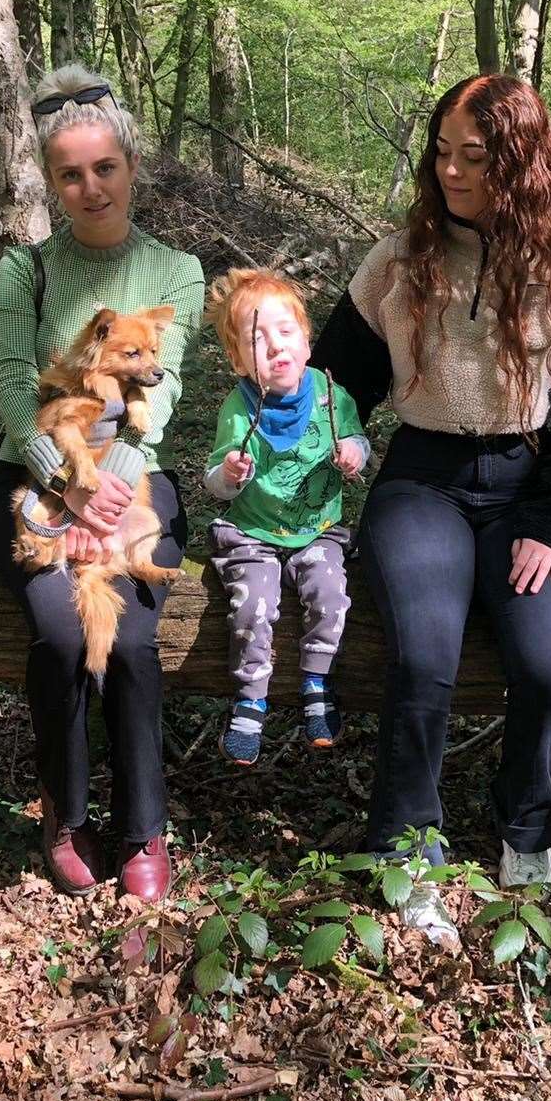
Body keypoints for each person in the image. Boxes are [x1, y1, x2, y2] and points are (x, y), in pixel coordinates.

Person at [314, 74, 551, 945]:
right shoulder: (397, 260)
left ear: (519, 164)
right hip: (423, 482)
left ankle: (527, 819)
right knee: (422, 657)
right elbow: (336, 385)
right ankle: (408, 845)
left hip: (529, 485)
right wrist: (285, 451)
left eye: (475, 158)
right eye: (442, 152)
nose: (451, 171)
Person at [0, 64, 204, 900]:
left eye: (104, 168)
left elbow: (165, 385)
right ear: (51, 181)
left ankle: (144, 827)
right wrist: (65, 485)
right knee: (62, 633)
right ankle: (66, 812)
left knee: (137, 639)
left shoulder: (176, 268)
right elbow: (12, 385)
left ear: (131, 168)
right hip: (38, 468)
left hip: (134, 468)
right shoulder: (25, 270)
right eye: (71, 174)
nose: (90, 187)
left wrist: (107, 490)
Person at [202, 269, 370, 764]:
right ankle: (252, 695)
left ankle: (316, 680)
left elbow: (360, 441)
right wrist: (230, 472)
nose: (276, 346)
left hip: (317, 528)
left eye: (286, 331)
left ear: (306, 337)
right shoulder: (239, 406)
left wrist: (353, 455)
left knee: (331, 593)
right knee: (253, 604)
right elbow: (213, 479)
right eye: (258, 339)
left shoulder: (330, 395)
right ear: (237, 359)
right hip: (253, 533)